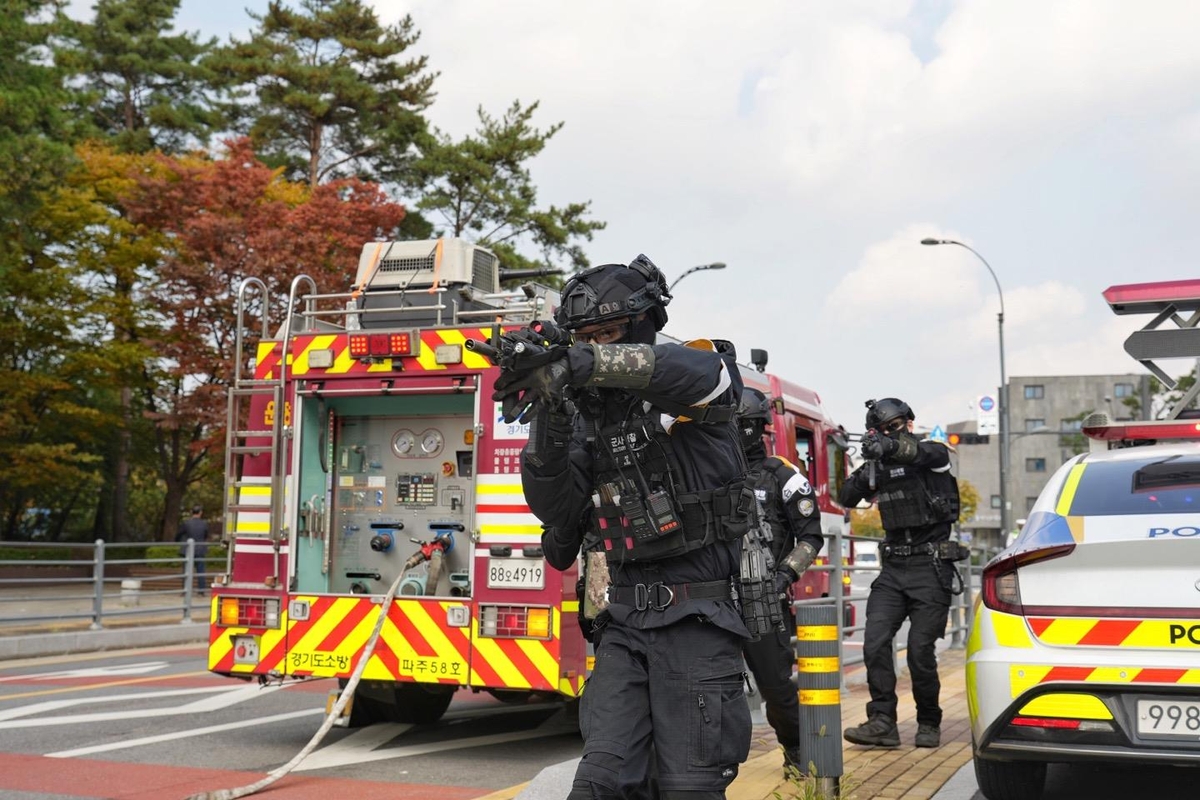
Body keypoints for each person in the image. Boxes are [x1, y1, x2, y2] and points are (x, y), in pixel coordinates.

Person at [497, 255, 753, 799]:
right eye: (585, 336)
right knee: (598, 784)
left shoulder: (700, 375)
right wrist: (550, 409)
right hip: (625, 623)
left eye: (608, 333)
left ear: (644, 323)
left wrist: (578, 360)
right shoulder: (593, 418)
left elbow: (696, 373)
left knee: (689, 789)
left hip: (697, 625)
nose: (597, 345)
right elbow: (559, 514)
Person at [839, 398, 959, 749]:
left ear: (908, 423)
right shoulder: (879, 466)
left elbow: (931, 456)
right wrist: (869, 466)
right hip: (893, 569)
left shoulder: (932, 454)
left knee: (920, 651)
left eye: (893, 428)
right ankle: (882, 722)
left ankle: (928, 721)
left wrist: (890, 446)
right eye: (881, 431)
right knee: (875, 641)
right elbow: (847, 496)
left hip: (931, 567)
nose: (887, 436)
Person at [736, 387, 824, 773]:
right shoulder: (707, 472)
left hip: (762, 598)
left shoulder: (783, 476)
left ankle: (796, 751)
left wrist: (785, 574)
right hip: (712, 595)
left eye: (741, 425)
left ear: (757, 429)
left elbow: (811, 537)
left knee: (775, 687)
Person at [176, 505, 209, 593]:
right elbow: (206, 535)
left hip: (188, 550)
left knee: (186, 571)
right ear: (200, 512)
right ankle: (201, 590)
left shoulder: (186, 523)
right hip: (200, 549)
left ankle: (185, 590)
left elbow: (179, 534)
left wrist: (178, 541)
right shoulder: (204, 524)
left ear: (192, 512)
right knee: (201, 571)